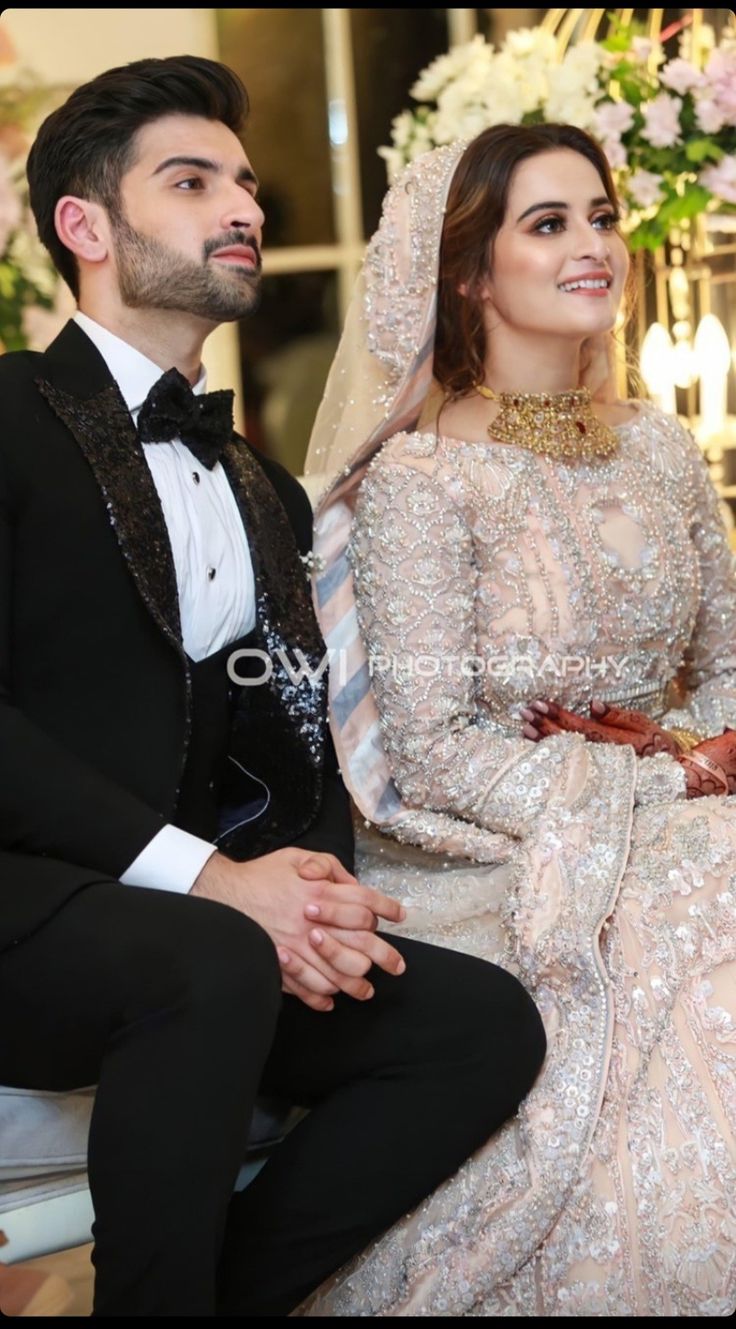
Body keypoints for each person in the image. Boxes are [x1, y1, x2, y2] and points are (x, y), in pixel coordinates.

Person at [0, 60, 547, 1317]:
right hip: (24, 904)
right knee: (206, 961)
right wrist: (212, 884)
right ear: (85, 228)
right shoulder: (6, 416)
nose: (241, 206)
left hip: (195, 925)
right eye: (191, 182)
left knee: (476, 1025)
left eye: (244, 182)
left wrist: (308, 884)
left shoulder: (261, 482)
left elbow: (286, 722)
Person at [301, 124, 736, 1316]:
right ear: (468, 275)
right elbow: (434, 749)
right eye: (547, 225)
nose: (594, 245)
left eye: (599, 216)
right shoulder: (421, 483)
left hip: (685, 796)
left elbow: (729, 662)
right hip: (511, 848)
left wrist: (698, 747)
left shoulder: (658, 448)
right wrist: (668, 785)